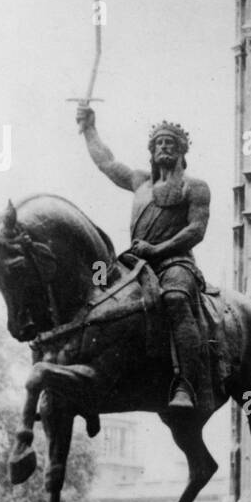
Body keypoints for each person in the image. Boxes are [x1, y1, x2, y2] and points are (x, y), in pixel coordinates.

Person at [76, 106, 210, 410]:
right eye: (159, 143)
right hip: (136, 263)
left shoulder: (195, 187)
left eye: (170, 143)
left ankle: (185, 385)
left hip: (176, 263)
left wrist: (158, 250)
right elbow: (107, 162)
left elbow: (196, 230)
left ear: (180, 150)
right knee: (98, 296)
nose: (164, 147)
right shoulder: (139, 183)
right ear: (152, 150)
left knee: (175, 299)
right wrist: (89, 130)